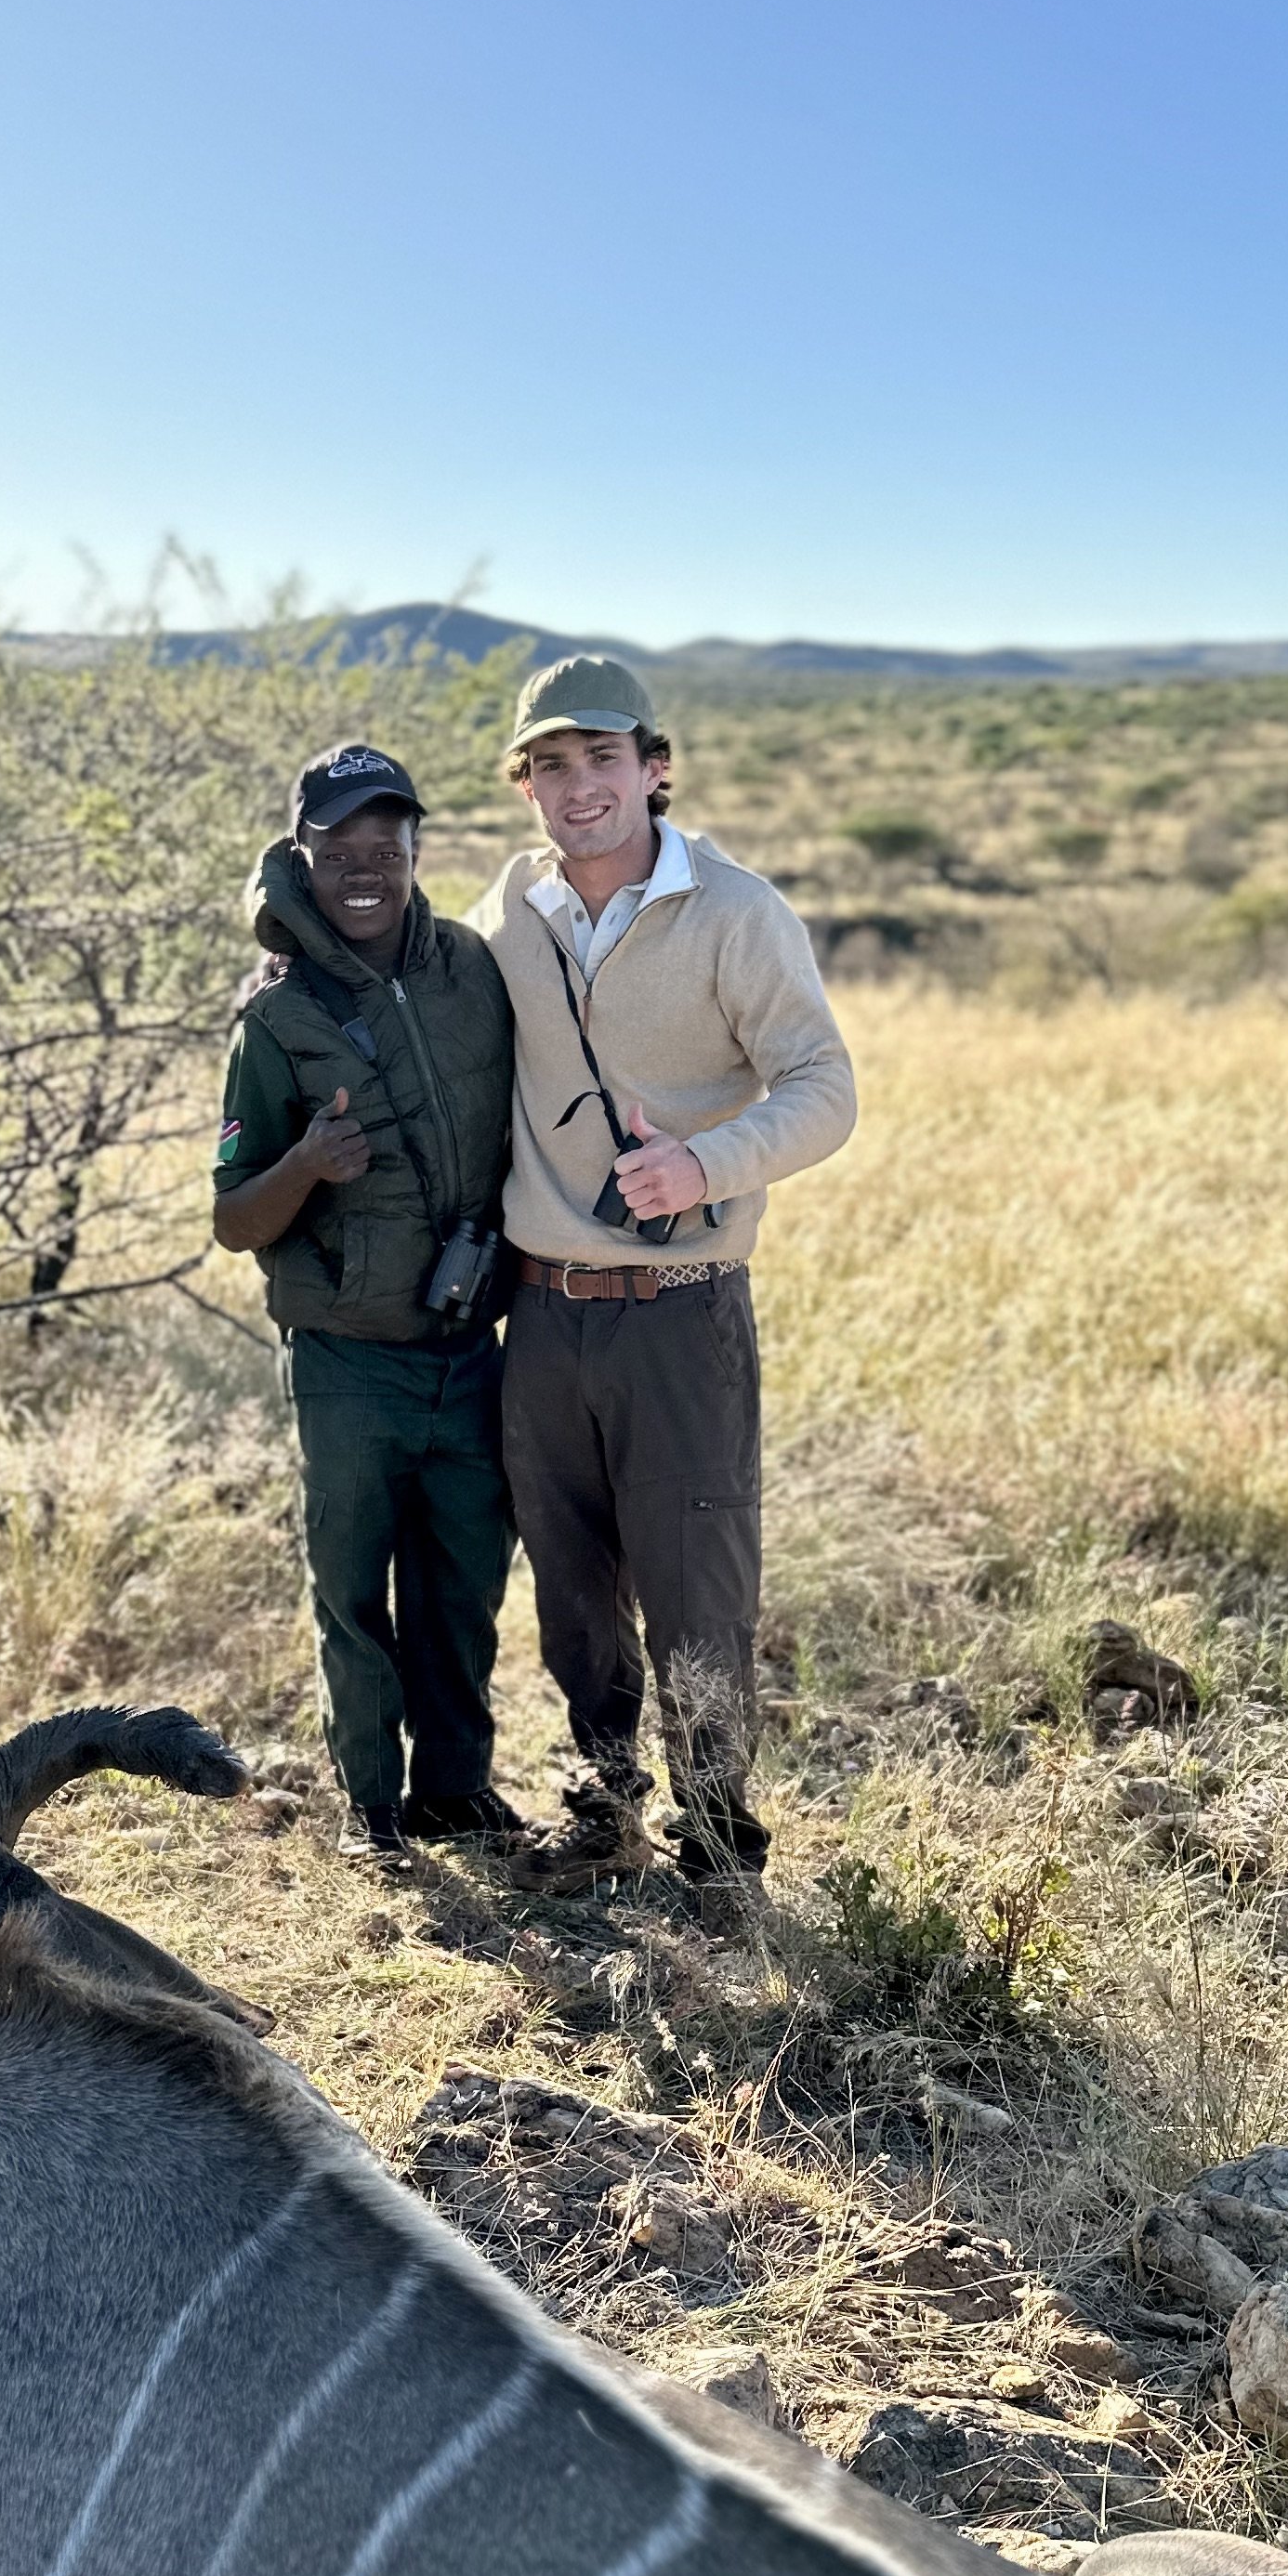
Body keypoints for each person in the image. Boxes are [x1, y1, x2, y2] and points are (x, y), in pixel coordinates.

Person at [467, 653, 856, 1890]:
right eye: (551, 764)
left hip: (683, 1314)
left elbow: (825, 1087)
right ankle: (602, 1806)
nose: (579, 786)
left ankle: (719, 1835)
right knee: (570, 1578)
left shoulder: (737, 912)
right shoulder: (511, 915)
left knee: (697, 1577)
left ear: (655, 766)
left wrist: (708, 1166)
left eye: (602, 758)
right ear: (526, 787)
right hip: (541, 1314)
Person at [214, 739, 519, 1864]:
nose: (362, 868)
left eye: (382, 845)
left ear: (414, 851)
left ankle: (456, 1794)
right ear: (303, 854)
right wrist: (306, 1167)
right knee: (353, 1596)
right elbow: (233, 1216)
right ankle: (376, 1815)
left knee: (465, 1592)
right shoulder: (274, 1018)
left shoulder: (474, 972)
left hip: (469, 1347)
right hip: (346, 1362)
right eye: (336, 847)